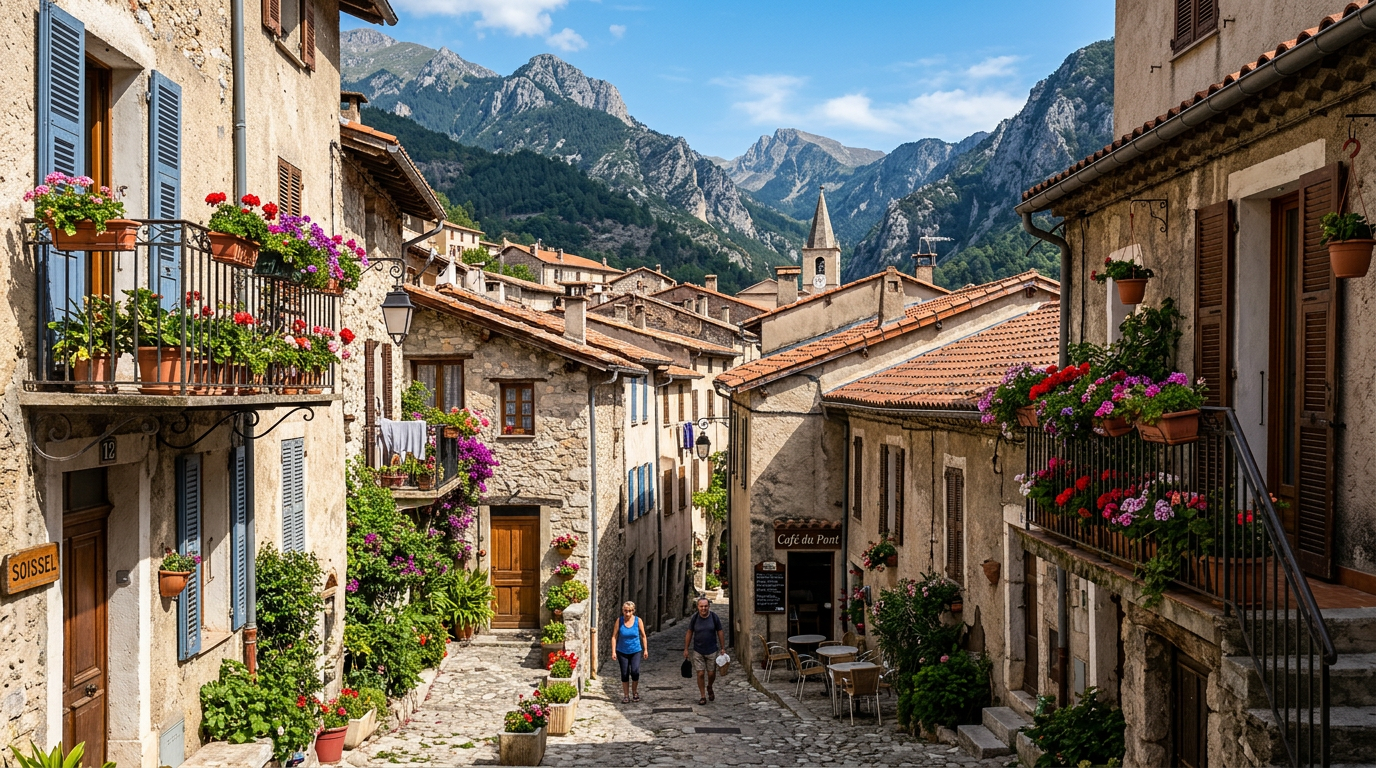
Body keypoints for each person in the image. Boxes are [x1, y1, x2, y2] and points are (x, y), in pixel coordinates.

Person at [683, 597, 725, 705]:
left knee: (711, 674)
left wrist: (723, 647)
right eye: (701, 606)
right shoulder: (695, 618)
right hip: (698, 650)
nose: (703, 608)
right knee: (700, 673)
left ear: (709, 606)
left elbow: (720, 632)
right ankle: (703, 696)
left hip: (712, 650)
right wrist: (686, 649)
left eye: (705, 606)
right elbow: (689, 632)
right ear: (698, 607)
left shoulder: (714, 617)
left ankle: (709, 686)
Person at [611, 601, 648, 703]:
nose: (627, 613)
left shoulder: (638, 621)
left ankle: (635, 692)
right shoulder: (619, 621)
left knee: (635, 672)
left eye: (630, 611)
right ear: (623, 611)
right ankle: (626, 695)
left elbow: (643, 636)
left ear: (633, 611)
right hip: (622, 651)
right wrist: (613, 651)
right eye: (625, 611)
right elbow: (614, 636)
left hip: (635, 650)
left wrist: (645, 649)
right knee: (624, 673)